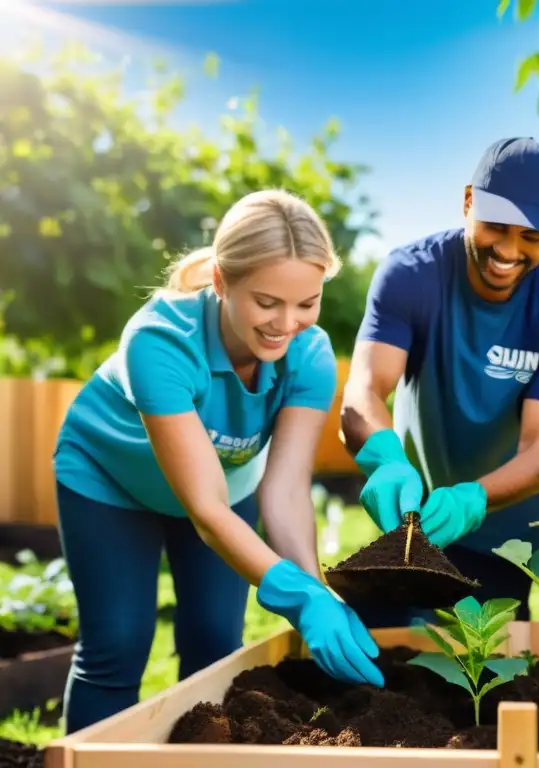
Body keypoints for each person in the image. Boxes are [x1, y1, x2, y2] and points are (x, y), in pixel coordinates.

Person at [52, 190, 383, 733]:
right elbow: (204, 510)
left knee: (214, 644)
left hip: (230, 485)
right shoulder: (159, 342)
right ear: (222, 283)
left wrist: (313, 590)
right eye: (268, 301)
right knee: (117, 642)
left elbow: (285, 490)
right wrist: (293, 594)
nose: (288, 323)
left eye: (308, 302)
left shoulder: (310, 354)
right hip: (109, 482)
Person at [340, 137, 539, 627]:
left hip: (508, 531)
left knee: (485, 680)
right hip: (416, 521)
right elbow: (366, 390)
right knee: (382, 669)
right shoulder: (410, 276)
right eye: (496, 226)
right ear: (469, 200)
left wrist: (473, 499)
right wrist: (387, 462)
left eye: (532, 237)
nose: (509, 251)